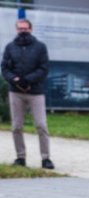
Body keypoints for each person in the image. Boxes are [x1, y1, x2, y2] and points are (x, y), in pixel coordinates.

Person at [1, 18, 54, 169]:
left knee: (41, 125)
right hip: (16, 92)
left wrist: (28, 80)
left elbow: (44, 68)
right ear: (16, 30)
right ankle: (20, 157)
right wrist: (15, 80)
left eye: (25, 28)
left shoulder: (40, 47)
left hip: (36, 92)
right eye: (20, 28)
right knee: (16, 126)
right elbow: (4, 68)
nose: (22, 31)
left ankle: (46, 158)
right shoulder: (10, 47)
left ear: (31, 29)